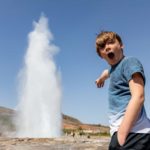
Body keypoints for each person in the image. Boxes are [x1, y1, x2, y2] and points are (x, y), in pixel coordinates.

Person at [95, 31, 150, 149]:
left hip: (133, 133)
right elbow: (106, 73)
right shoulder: (113, 69)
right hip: (125, 134)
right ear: (101, 55)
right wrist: (100, 79)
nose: (107, 47)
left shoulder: (129, 62)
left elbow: (139, 96)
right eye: (103, 47)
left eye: (111, 43)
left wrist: (121, 133)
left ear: (121, 45)